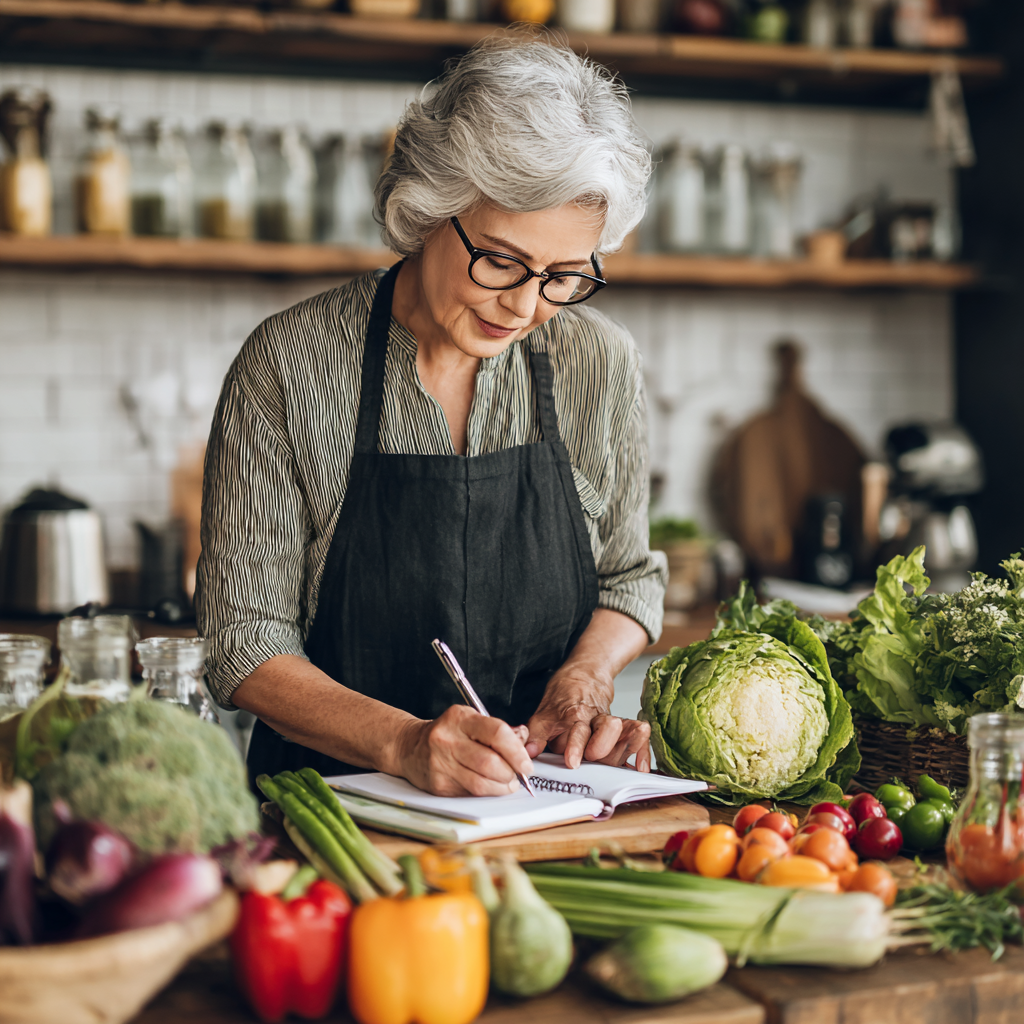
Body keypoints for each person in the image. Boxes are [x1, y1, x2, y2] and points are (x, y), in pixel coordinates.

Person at [196, 35, 668, 798]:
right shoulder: (289, 364)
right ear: (428, 207)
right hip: (330, 817)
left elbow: (629, 580)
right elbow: (242, 643)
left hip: (543, 809)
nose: (524, 305)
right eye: (502, 262)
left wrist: (582, 679)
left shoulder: (599, 361)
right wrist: (406, 743)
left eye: (563, 277)